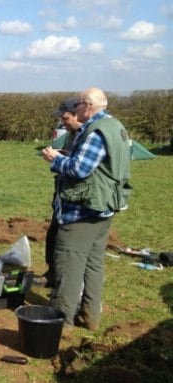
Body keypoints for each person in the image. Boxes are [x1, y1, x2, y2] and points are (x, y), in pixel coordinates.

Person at [41, 87, 132, 330]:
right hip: (104, 208)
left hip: (82, 210)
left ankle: (61, 322)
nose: (75, 108)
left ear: (86, 106)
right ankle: (90, 316)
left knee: (68, 264)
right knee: (93, 263)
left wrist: (55, 159)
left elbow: (80, 170)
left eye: (78, 104)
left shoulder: (94, 132)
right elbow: (99, 165)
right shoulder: (115, 126)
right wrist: (68, 154)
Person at [42, 97, 83, 288]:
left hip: (75, 199)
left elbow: (80, 168)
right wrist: (62, 154)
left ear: (77, 114)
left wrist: (57, 159)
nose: (62, 122)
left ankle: (64, 283)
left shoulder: (87, 135)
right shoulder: (71, 135)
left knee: (66, 244)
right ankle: (52, 273)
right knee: (53, 236)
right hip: (61, 194)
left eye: (65, 118)